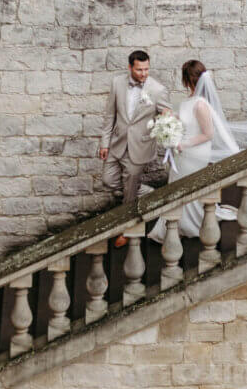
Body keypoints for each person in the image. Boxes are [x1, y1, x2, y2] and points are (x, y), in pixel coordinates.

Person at [150, 60, 239, 244]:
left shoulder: (201, 105)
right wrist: (169, 121)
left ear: (186, 80)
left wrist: (184, 144)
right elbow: (185, 122)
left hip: (194, 152)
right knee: (177, 184)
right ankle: (175, 222)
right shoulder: (189, 101)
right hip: (182, 152)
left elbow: (208, 134)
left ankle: (191, 223)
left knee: (187, 186)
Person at [100, 50, 171, 247]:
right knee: (108, 180)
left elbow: (167, 115)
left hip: (139, 147)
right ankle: (149, 192)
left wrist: (166, 114)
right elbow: (109, 116)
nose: (143, 73)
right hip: (117, 143)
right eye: (139, 70)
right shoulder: (117, 83)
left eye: (146, 69)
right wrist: (105, 143)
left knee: (130, 194)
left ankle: (127, 229)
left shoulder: (157, 90)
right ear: (130, 67)